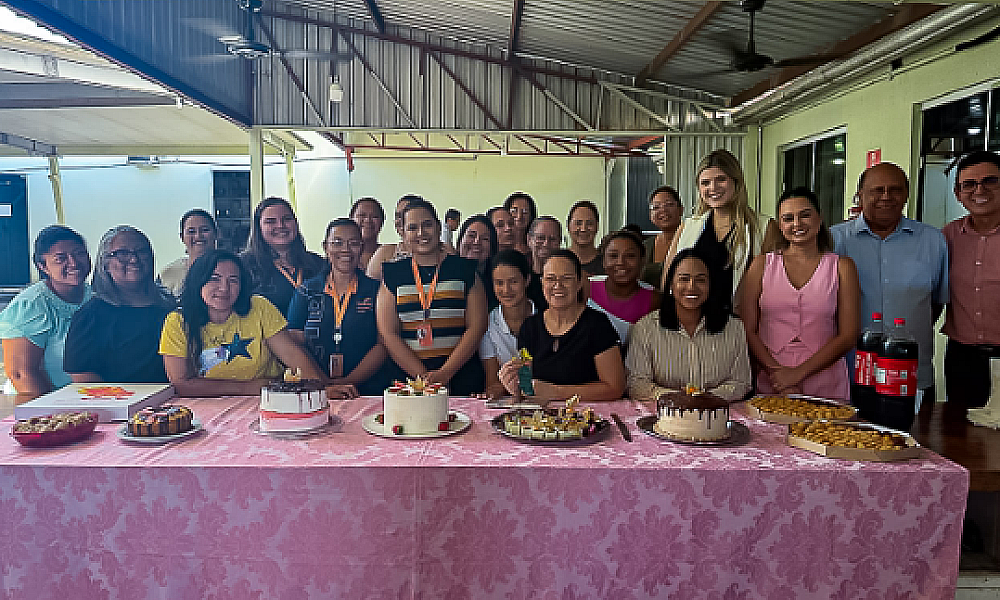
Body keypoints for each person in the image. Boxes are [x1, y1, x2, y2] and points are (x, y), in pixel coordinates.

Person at [830, 162, 948, 410]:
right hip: (847, 374)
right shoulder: (834, 240)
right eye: (877, 190)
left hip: (909, 375)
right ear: (860, 195)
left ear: (906, 194)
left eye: (895, 190)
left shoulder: (933, 241)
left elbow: (935, 304)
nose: (886, 197)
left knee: (915, 434)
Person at [159, 250, 348, 397]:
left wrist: (321, 389)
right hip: (209, 408)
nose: (224, 288)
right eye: (214, 279)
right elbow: (181, 384)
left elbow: (292, 354)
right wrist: (248, 387)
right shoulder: (178, 322)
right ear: (197, 282)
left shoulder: (258, 306)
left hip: (268, 400)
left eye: (233, 280)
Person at [742, 188, 860, 401]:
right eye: (788, 218)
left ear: (819, 218)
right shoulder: (761, 265)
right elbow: (748, 329)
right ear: (780, 225)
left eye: (805, 215)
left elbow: (848, 335)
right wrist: (778, 374)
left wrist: (797, 374)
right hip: (773, 378)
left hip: (825, 376)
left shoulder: (842, 267)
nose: (797, 224)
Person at [376, 200, 487, 395]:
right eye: (412, 228)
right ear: (403, 233)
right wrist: (423, 378)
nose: (421, 233)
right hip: (409, 383)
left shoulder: (465, 270)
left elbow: (477, 326)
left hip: (461, 378)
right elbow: (388, 333)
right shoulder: (393, 274)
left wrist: (445, 373)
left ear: (438, 227)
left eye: (427, 225)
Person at [627, 248, 752, 403]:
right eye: (684, 279)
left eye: (701, 280)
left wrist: (706, 399)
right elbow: (636, 384)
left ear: (711, 285)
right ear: (671, 284)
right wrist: (677, 398)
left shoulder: (734, 328)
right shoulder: (646, 328)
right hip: (664, 413)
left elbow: (741, 382)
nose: (692, 287)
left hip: (717, 413)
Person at [499, 249, 625, 402]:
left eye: (566, 278)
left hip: (589, 413)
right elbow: (528, 384)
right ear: (542, 282)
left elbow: (615, 388)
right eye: (550, 279)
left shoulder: (598, 324)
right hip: (541, 415)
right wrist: (513, 383)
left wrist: (556, 392)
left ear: (579, 283)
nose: (558, 285)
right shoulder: (529, 327)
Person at [287, 218, 388, 396]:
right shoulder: (306, 291)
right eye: (337, 243)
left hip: (368, 390)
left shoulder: (376, 290)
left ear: (362, 248)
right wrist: (323, 384)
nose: (345, 250)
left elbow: (383, 343)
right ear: (325, 247)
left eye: (353, 243)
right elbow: (294, 342)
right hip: (316, 390)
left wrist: (347, 382)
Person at [64, 226, 175, 383]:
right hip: (117, 397)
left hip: (177, 396)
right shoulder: (90, 316)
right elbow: (82, 375)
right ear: (105, 263)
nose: (134, 259)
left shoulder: (171, 307)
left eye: (141, 251)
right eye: (122, 253)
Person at [663, 149, 769, 314]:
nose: (713, 188)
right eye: (705, 183)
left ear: (736, 182)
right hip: (692, 321)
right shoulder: (688, 226)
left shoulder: (763, 227)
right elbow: (668, 277)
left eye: (721, 179)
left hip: (737, 322)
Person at [0, 225, 92, 394]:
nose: (73, 263)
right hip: (37, 400)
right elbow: (21, 374)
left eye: (79, 253)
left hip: (84, 397)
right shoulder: (31, 306)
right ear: (43, 266)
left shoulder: (94, 297)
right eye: (60, 258)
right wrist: (52, 408)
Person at [942, 150, 1000, 408]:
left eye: (990, 181)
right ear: (958, 193)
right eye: (969, 184)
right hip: (963, 359)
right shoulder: (947, 238)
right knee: (959, 428)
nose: (980, 190)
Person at [241, 197, 325, 317]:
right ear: (258, 228)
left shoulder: (318, 263)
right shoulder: (243, 266)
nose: (280, 225)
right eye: (271, 221)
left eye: (287, 219)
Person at [480, 250, 536, 399]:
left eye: (513, 282)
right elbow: (493, 383)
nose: (506, 290)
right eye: (499, 283)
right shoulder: (488, 324)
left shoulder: (546, 317)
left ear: (527, 280)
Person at [589, 229, 660, 343]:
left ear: (642, 260)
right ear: (603, 261)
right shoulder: (586, 288)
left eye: (630, 256)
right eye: (613, 256)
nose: (621, 262)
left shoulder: (655, 299)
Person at [158, 209, 218, 297]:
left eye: (205, 230)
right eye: (191, 231)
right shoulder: (168, 274)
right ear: (182, 237)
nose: (198, 236)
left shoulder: (230, 268)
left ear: (216, 233)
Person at [367, 194, 422, 280]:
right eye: (398, 216)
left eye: (406, 215)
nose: (400, 220)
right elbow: (370, 286)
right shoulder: (385, 253)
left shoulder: (441, 252)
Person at [641, 186, 683, 288]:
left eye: (669, 205)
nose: (663, 210)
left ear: (681, 209)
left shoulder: (693, 240)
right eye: (656, 207)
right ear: (650, 215)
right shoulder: (645, 246)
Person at [456, 214, 500, 309]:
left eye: (485, 239)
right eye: (471, 236)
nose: (477, 242)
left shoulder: (498, 285)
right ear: (460, 242)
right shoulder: (444, 276)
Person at [525, 216, 562, 311]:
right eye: (540, 238)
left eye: (552, 239)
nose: (546, 244)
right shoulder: (521, 276)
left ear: (560, 242)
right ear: (529, 239)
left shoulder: (565, 278)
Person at [567, 200, 603, 276]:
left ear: (597, 227)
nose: (583, 229)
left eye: (589, 224)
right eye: (578, 223)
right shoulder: (559, 261)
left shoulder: (607, 263)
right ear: (568, 226)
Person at [349, 197, 385, 268]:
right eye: (362, 215)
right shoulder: (342, 256)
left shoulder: (389, 255)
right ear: (351, 219)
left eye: (374, 216)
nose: (368, 220)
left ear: (382, 221)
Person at [504, 192, 537, 258]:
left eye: (525, 211)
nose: (519, 216)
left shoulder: (536, 246)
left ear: (531, 215)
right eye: (514, 211)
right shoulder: (500, 245)